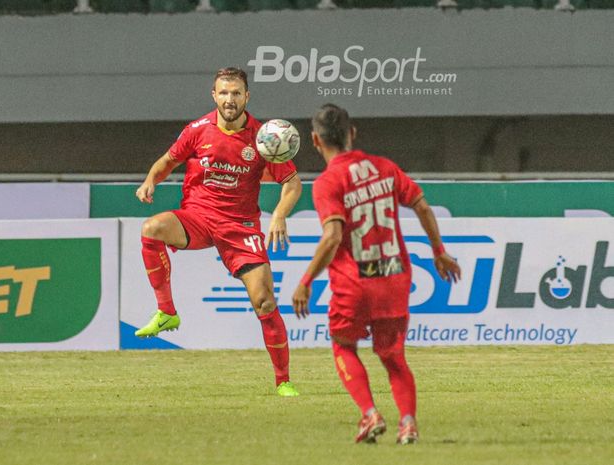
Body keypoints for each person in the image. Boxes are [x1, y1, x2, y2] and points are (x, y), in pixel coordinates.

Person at [292, 104, 461, 442]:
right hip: (394, 276)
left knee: (343, 346)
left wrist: (306, 281)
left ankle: (370, 415)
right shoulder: (384, 168)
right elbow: (422, 206)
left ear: (315, 140)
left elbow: (333, 236)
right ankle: (408, 424)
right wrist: (439, 252)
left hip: (355, 282)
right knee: (393, 357)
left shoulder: (328, 182)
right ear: (352, 133)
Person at [135, 67, 302, 397]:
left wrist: (279, 215)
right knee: (151, 229)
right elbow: (167, 161)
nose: (230, 99)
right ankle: (167, 312)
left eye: (236, 93)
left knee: (265, 303)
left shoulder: (263, 137)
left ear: (246, 97)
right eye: (224, 93)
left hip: (240, 227)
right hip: (197, 217)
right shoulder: (197, 130)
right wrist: (150, 179)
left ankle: (283, 381)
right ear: (214, 95)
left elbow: (292, 184)